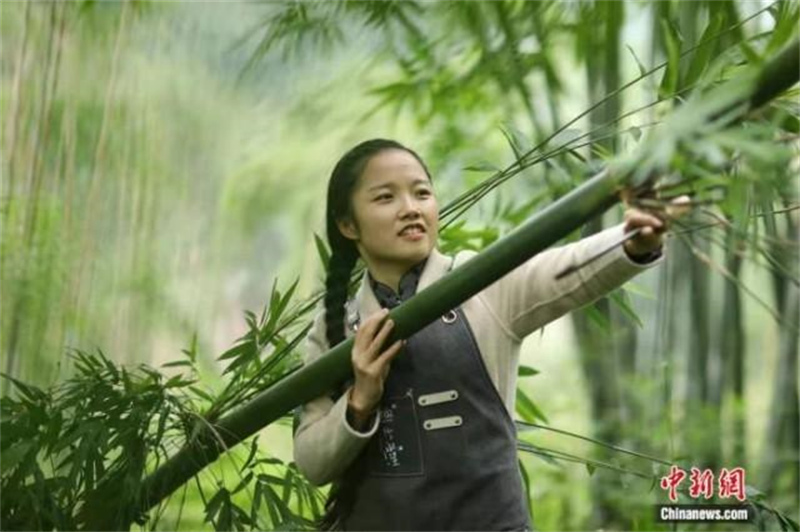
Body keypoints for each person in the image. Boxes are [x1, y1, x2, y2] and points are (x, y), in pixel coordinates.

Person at [292, 139, 669, 531]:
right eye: (386, 198)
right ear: (347, 223)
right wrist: (359, 402)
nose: (412, 209)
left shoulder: (478, 283)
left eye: (422, 193)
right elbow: (312, 462)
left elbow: (564, 269)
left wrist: (634, 241)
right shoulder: (334, 325)